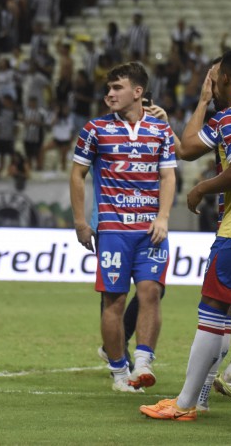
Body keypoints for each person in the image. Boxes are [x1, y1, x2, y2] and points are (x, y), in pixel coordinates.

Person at [139, 48, 231, 421]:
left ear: (223, 78)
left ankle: (186, 403)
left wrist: (201, 188)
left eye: (215, 78)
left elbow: (196, 151)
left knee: (214, 313)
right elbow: (191, 147)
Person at [69, 61, 176, 393]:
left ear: (138, 92)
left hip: (150, 230)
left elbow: (168, 175)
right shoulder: (95, 129)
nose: (109, 94)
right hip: (113, 230)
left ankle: (142, 362)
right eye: (108, 88)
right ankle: (119, 372)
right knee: (114, 301)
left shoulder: (160, 131)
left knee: (151, 293)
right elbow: (77, 174)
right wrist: (80, 222)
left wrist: (163, 217)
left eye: (117, 88)